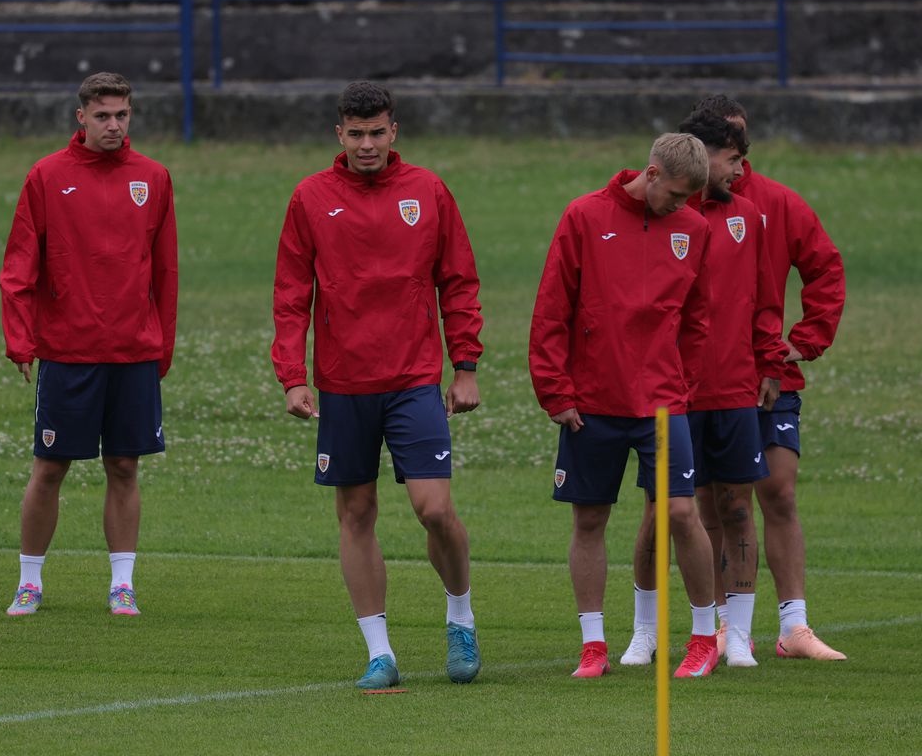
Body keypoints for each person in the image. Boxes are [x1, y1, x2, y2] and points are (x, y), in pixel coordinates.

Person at [271, 81, 484, 689]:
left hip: (414, 378)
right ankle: (380, 653)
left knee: (434, 509)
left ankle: (461, 617)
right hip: (343, 384)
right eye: (356, 133)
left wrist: (464, 364)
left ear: (395, 132)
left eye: (378, 132)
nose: (368, 144)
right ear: (340, 134)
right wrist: (293, 376)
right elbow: (292, 296)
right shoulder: (311, 197)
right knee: (356, 512)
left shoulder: (428, 191)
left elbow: (458, 280)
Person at [529, 133, 721, 679]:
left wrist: (683, 387)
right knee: (590, 519)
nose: (682, 207)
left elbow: (698, 320)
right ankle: (593, 647)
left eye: (691, 199)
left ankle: (704, 638)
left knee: (682, 513)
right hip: (592, 402)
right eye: (678, 195)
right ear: (652, 173)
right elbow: (551, 310)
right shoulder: (585, 216)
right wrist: (556, 393)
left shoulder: (695, 229)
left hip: (664, 403)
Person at [0, 71, 178, 618]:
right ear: (81, 117)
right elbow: (19, 265)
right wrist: (20, 340)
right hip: (68, 351)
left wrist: (161, 348)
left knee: (124, 467)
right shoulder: (48, 176)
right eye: (102, 116)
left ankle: (121, 583)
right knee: (49, 467)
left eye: (122, 115)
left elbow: (166, 270)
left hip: (133, 352)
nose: (113, 125)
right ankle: (30, 581)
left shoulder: (153, 177)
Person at [621, 112, 786, 670]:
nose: (740, 170)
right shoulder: (659, 216)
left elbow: (765, 301)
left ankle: (736, 635)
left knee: (738, 508)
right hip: (670, 393)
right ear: (703, 156)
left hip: (735, 387)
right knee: (659, 511)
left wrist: (769, 362)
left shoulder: (747, 217)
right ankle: (645, 631)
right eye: (733, 159)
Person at [691, 94, 848, 660]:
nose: (739, 159)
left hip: (769, 376)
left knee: (777, 490)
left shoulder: (777, 202)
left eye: (743, 144)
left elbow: (825, 268)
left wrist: (800, 345)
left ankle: (793, 625)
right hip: (702, 385)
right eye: (729, 146)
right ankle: (714, 631)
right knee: (709, 508)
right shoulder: (682, 203)